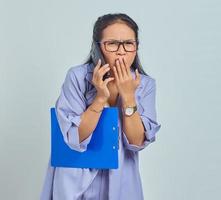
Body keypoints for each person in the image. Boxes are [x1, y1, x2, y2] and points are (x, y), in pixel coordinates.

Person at [40, 13, 161, 200]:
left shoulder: (145, 85)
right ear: (98, 47)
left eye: (129, 43)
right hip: (73, 177)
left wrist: (128, 96)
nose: (121, 51)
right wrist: (100, 98)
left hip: (120, 178)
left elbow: (137, 142)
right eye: (112, 43)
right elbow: (75, 137)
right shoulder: (77, 77)